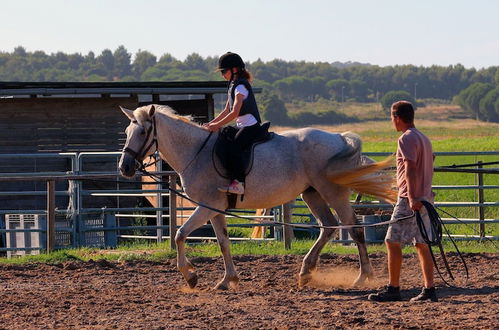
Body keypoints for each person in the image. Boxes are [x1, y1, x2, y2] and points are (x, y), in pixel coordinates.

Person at [368, 100, 438, 302]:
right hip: (426, 198)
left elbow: (410, 168)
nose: (392, 122)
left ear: (397, 118)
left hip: (410, 197)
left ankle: (394, 288)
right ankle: (429, 289)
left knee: (391, 241)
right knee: (422, 243)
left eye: (392, 118)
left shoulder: (405, 139)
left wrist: (412, 196)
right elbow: (429, 160)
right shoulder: (423, 138)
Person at [204, 52, 262, 195]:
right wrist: (209, 124)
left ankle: (239, 183)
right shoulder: (232, 85)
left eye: (224, 71)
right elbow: (226, 110)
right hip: (241, 125)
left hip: (250, 126)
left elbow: (234, 112)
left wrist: (216, 126)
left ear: (234, 70)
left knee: (234, 147)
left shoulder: (240, 87)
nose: (222, 74)